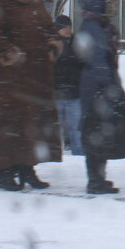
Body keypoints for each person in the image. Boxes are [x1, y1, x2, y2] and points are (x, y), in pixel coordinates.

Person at [0, 0, 63, 191]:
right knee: (9, 125)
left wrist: (51, 45)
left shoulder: (35, 4)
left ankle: (28, 167)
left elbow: (49, 29)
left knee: (32, 125)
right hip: (10, 79)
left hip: (35, 77)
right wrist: (10, 52)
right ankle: (5, 171)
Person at [76, 0, 125, 195]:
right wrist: (109, 85)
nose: (111, 4)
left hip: (97, 89)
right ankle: (95, 180)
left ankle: (98, 178)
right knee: (97, 133)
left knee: (98, 132)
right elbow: (98, 60)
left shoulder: (97, 25)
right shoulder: (94, 27)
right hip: (97, 91)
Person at [52, 15, 84, 156]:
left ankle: (78, 154)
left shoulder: (76, 42)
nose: (67, 30)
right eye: (64, 27)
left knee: (76, 129)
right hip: (57, 92)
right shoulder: (52, 44)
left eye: (69, 27)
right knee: (55, 129)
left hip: (73, 92)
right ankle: (53, 155)